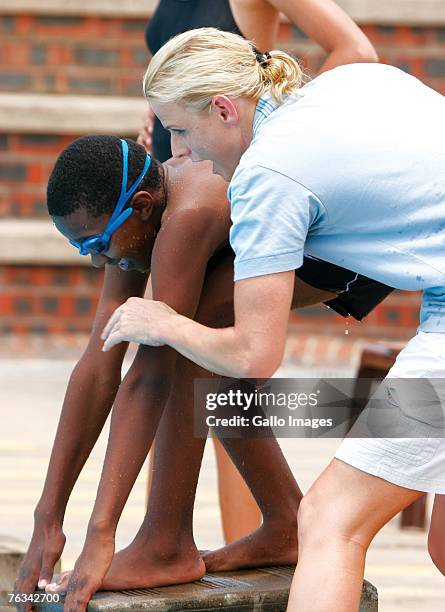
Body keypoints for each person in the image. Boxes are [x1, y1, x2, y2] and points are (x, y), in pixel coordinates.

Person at [99, 27, 445, 612]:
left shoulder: (269, 175)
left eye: (180, 130)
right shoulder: (354, 82)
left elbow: (255, 355)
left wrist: (163, 322)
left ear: (226, 109)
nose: (179, 154)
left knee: (333, 520)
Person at [14, 135, 393, 612]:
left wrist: (99, 535)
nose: (94, 259)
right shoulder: (134, 220)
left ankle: (166, 541)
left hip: (353, 237)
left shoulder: (187, 217)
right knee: (195, 330)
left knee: (193, 328)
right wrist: (47, 517)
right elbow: (99, 361)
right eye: (79, 247)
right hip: (286, 225)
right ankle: (282, 522)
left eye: (95, 243)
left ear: (143, 206)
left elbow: (149, 376)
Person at [139, 0, 378, 543]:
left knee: (210, 343)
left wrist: (290, 135)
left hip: (238, 168)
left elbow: (357, 52)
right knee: (181, 347)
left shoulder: (272, 162)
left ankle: (225, 537)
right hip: (195, 156)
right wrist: (162, 127)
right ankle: (189, 537)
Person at [139, 0, 378, 161]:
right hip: (172, 154)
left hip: (221, 169)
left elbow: (356, 51)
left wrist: (283, 120)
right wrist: (156, 117)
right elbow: (171, 73)